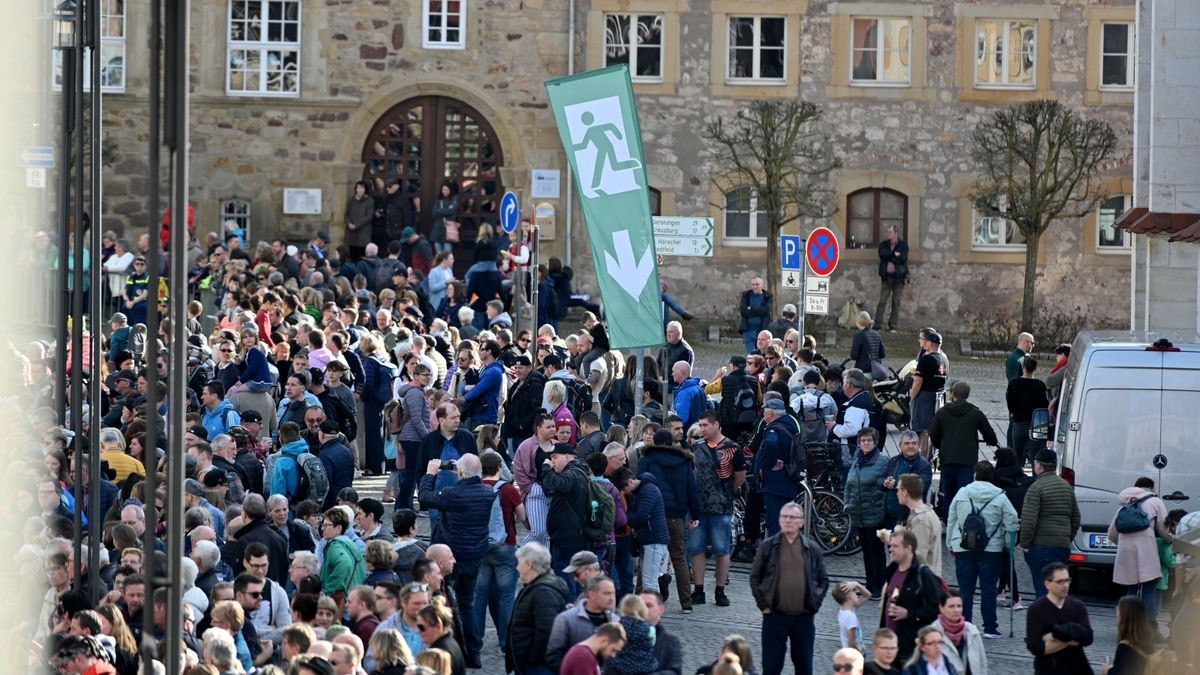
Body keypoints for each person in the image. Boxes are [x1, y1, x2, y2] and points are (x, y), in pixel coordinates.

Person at [417, 453, 492, 667]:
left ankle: (449, 647)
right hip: (475, 556)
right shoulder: (487, 493)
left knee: (445, 602)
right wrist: (459, 468)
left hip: (451, 558)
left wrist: (430, 474)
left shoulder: (452, 494)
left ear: (460, 473)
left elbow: (424, 498)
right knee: (468, 604)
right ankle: (474, 652)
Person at [749, 501, 830, 675]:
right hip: (775, 617)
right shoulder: (768, 547)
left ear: (801, 522)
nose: (788, 520)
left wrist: (814, 603)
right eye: (784, 517)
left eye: (793, 517)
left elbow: (824, 580)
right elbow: (755, 578)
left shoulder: (812, 549)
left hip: (804, 618)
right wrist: (763, 605)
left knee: (804, 667)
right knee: (771, 667)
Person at [945, 460, 1018, 638]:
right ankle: (990, 628)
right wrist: (1008, 544)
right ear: (991, 476)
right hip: (991, 550)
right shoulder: (1000, 496)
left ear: (975, 475)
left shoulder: (962, 493)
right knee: (988, 588)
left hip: (964, 548)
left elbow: (951, 520)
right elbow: (1012, 520)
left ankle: (964, 625)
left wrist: (950, 543)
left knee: (965, 589)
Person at [638, 422, 702, 614]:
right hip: (676, 516)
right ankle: (686, 602)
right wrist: (695, 515)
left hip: (652, 516)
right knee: (680, 558)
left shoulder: (647, 460)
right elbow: (692, 489)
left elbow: (640, 486)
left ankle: (639, 597)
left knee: (647, 557)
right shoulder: (684, 462)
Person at [688, 411, 745, 608]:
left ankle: (720, 590)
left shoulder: (733, 448)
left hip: (721, 506)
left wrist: (728, 493)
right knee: (696, 549)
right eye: (700, 425)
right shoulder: (695, 448)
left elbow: (739, 476)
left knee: (722, 549)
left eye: (706, 425)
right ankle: (698, 589)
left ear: (717, 425)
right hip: (698, 506)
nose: (702, 429)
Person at [1107, 476, 1174, 620]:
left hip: (1125, 549)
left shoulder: (1125, 504)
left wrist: (1125, 542)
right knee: (1149, 588)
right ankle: (1147, 628)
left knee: (1131, 589)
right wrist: (1171, 542)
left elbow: (1112, 534)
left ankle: (1128, 626)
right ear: (1152, 488)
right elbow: (1163, 529)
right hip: (1146, 548)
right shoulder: (1155, 501)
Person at [928, 381, 996, 519]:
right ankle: (964, 522)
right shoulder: (975, 413)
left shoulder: (941, 413)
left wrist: (943, 446)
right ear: (967, 395)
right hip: (967, 461)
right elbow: (991, 435)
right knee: (965, 495)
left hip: (947, 460)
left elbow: (934, 436)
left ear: (952, 394)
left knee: (947, 495)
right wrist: (990, 441)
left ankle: (948, 520)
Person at [1018, 450, 1081, 599]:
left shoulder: (1036, 487)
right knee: (1056, 590)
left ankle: (1046, 621)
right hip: (1061, 546)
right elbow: (1076, 518)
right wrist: (1066, 538)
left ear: (1039, 466)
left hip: (1040, 546)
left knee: (1043, 589)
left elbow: (1029, 519)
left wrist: (1025, 544)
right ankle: (1057, 619)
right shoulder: (1066, 487)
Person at [506, 542, 570, 675]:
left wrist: (532, 659)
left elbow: (546, 630)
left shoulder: (543, 592)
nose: (517, 568)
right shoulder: (538, 587)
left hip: (538, 666)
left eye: (519, 563)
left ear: (529, 564)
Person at [880, 530, 942, 665]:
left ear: (908, 548)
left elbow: (937, 609)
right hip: (891, 646)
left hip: (912, 648)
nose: (891, 550)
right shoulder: (891, 571)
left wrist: (909, 614)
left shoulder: (923, 574)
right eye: (890, 546)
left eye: (895, 546)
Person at [1025, 562, 1093, 675]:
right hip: (1048, 668)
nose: (1065, 585)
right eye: (1060, 581)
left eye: (1067, 580)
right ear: (1047, 584)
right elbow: (1036, 647)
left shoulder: (1078, 606)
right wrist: (1073, 639)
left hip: (1077, 667)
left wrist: (1054, 635)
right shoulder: (1036, 609)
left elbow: (1088, 638)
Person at [845, 427, 889, 598]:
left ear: (875, 442)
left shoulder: (883, 461)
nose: (865, 443)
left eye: (869, 440)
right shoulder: (858, 459)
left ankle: (880, 585)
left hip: (875, 513)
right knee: (866, 552)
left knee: (876, 552)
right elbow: (849, 483)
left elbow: (884, 484)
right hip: (858, 513)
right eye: (863, 440)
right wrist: (847, 502)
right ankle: (870, 583)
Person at [545, 575, 619, 671]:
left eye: (613, 593)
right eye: (606, 593)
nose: (612, 598)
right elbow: (553, 655)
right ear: (592, 594)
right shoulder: (566, 619)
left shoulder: (616, 621)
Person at [754, 399, 800, 539]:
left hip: (775, 483)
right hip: (787, 481)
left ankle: (776, 557)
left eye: (764, 412)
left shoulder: (773, 428)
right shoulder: (790, 425)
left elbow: (771, 444)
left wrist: (770, 463)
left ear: (770, 413)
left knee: (775, 524)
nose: (763, 415)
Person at [893, 474, 942, 579]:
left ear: (905, 492)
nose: (896, 493)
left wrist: (895, 548)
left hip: (921, 583)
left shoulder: (921, 520)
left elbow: (917, 557)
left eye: (898, 490)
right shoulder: (920, 514)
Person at [320, 507, 368, 613]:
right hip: (354, 603)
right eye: (323, 524)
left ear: (338, 528)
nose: (322, 528)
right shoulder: (350, 544)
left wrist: (328, 590)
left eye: (327, 525)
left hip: (343, 607)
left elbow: (344, 563)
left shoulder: (335, 546)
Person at [927, 589, 986, 675]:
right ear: (941, 608)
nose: (956, 610)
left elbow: (983, 663)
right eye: (951, 606)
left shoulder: (972, 631)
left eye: (959, 606)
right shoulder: (931, 633)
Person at [1005, 357, 1048, 467]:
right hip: (1035, 425)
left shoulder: (1014, 383)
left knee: (1017, 458)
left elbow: (1010, 403)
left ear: (1023, 367)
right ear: (1035, 369)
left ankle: (1016, 480)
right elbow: (1044, 406)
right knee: (1035, 458)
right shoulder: (1039, 385)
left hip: (1018, 422)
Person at [883, 431, 933, 527]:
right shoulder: (893, 461)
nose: (911, 446)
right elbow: (880, 479)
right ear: (900, 446)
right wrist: (885, 483)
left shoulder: (924, 465)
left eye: (914, 443)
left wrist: (896, 484)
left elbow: (921, 487)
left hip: (911, 517)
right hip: (889, 516)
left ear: (918, 445)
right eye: (907, 443)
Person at [908, 331, 948, 444]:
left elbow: (918, 382)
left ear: (930, 343)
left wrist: (912, 397)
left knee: (921, 429)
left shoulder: (925, 359)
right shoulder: (945, 359)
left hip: (924, 397)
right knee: (933, 428)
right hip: (939, 396)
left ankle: (921, 453)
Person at [604, 594, 658, 675]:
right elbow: (652, 644)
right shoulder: (650, 629)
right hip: (644, 667)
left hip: (619, 667)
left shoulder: (617, 625)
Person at [1103, 596, 1155, 675]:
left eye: (1119, 611)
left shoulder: (1125, 647)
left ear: (1124, 616)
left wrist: (1107, 671)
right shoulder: (1148, 640)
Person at [417, 597, 465, 675]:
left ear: (438, 626)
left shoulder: (439, 652)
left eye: (422, 627)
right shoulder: (450, 643)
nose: (419, 631)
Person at [559, 622, 627, 675]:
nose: (613, 655)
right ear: (604, 640)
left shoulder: (583, 653)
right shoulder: (583, 656)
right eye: (613, 650)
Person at [875, 224, 908, 332]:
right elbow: (882, 254)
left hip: (898, 278)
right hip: (886, 277)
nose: (888, 234)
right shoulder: (884, 244)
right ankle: (877, 324)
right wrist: (894, 255)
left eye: (890, 232)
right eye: (888, 232)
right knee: (882, 301)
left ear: (896, 233)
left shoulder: (903, 245)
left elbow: (902, 258)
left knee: (896, 301)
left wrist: (890, 256)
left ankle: (893, 325)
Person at [833, 581, 872, 651]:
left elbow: (867, 595)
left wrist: (856, 584)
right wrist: (860, 653)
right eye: (855, 592)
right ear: (849, 595)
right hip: (853, 655)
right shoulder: (851, 617)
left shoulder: (843, 611)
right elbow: (851, 643)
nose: (858, 595)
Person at [738, 277, 773, 356]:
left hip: (762, 329)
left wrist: (751, 308)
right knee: (752, 354)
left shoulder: (767, 296)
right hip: (748, 329)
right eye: (753, 284)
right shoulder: (746, 295)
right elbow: (743, 311)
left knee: (762, 353)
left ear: (762, 285)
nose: (755, 287)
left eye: (757, 284)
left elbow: (766, 311)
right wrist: (759, 311)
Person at [850, 311, 887, 378]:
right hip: (876, 371)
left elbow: (854, 356)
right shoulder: (877, 334)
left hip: (863, 371)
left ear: (858, 323)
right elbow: (882, 354)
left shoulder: (858, 336)